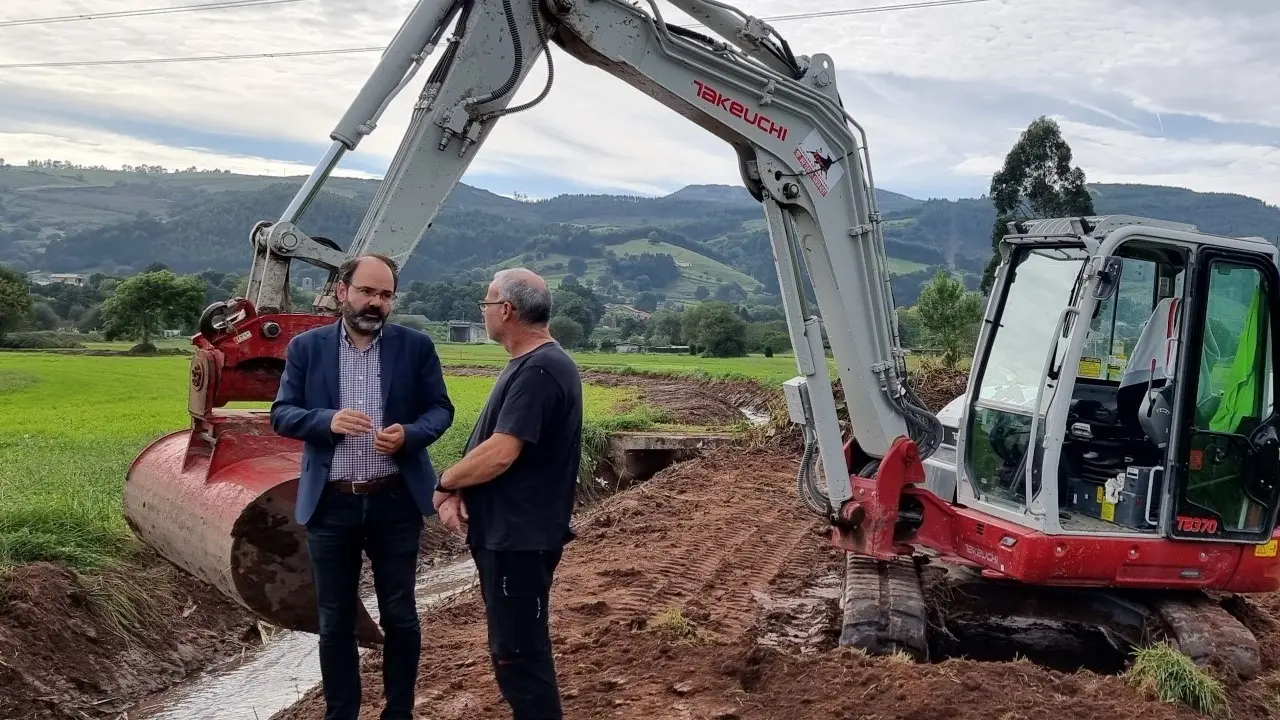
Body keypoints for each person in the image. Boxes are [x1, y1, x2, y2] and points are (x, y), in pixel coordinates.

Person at [270, 253, 455, 720]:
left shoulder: (415, 347)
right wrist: (326, 420)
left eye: (386, 295)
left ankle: (399, 712)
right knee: (335, 621)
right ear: (342, 291)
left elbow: (440, 410)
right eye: (368, 292)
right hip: (331, 503)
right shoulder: (307, 348)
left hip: (395, 499)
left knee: (400, 614)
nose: (376, 303)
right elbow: (282, 414)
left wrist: (410, 434)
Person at [433, 268, 582, 720]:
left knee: (519, 657)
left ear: (506, 310)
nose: (483, 310)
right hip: (514, 536)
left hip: (519, 539)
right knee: (516, 650)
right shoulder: (533, 363)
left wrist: (445, 482)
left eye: (486, 302)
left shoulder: (540, 369)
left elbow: (500, 453)